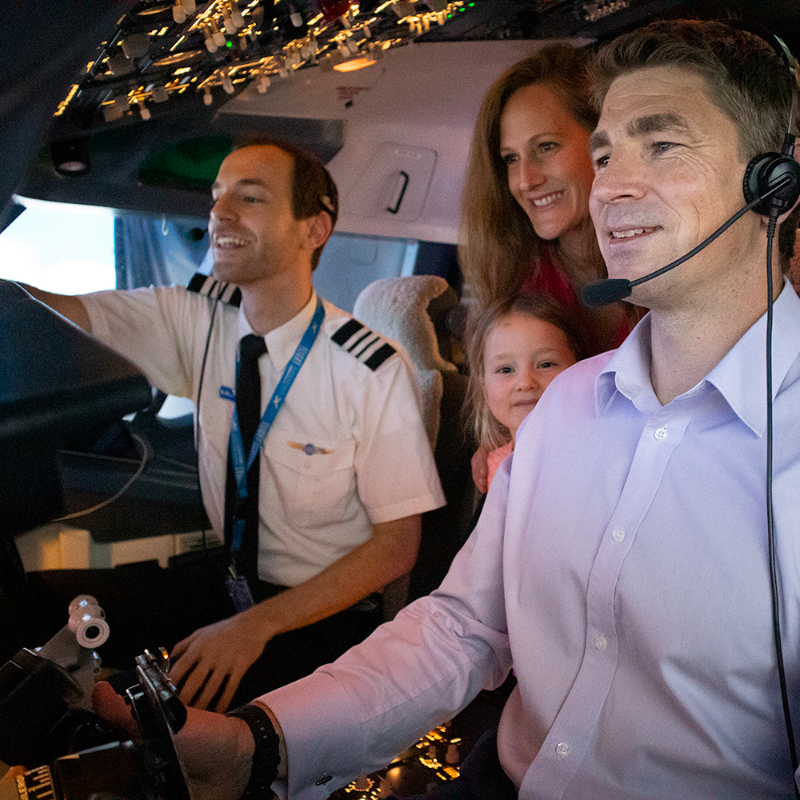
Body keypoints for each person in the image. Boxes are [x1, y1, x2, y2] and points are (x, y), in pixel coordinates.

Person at [92, 18, 800, 799]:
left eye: (662, 145)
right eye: (603, 154)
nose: (613, 186)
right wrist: (259, 741)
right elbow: (461, 626)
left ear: (776, 177)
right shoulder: (565, 406)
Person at [16, 139, 445, 712]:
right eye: (218, 196)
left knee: (158, 724)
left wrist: (255, 628)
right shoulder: (196, 314)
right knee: (42, 613)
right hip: (224, 581)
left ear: (312, 230)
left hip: (319, 615)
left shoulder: (368, 368)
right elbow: (53, 315)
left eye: (250, 197)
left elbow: (396, 550)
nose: (219, 212)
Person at [459, 44, 641, 492]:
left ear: (604, 145)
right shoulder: (518, 285)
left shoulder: (672, 267)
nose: (525, 180)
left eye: (546, 147)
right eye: (511, 159)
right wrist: (497, 445)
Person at [465, 293, 585, 490]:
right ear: (484, 387)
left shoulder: (592, 460)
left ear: (581, 370)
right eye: (505, 370)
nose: (525, 383)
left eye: (546, 364)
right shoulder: (495, 466)